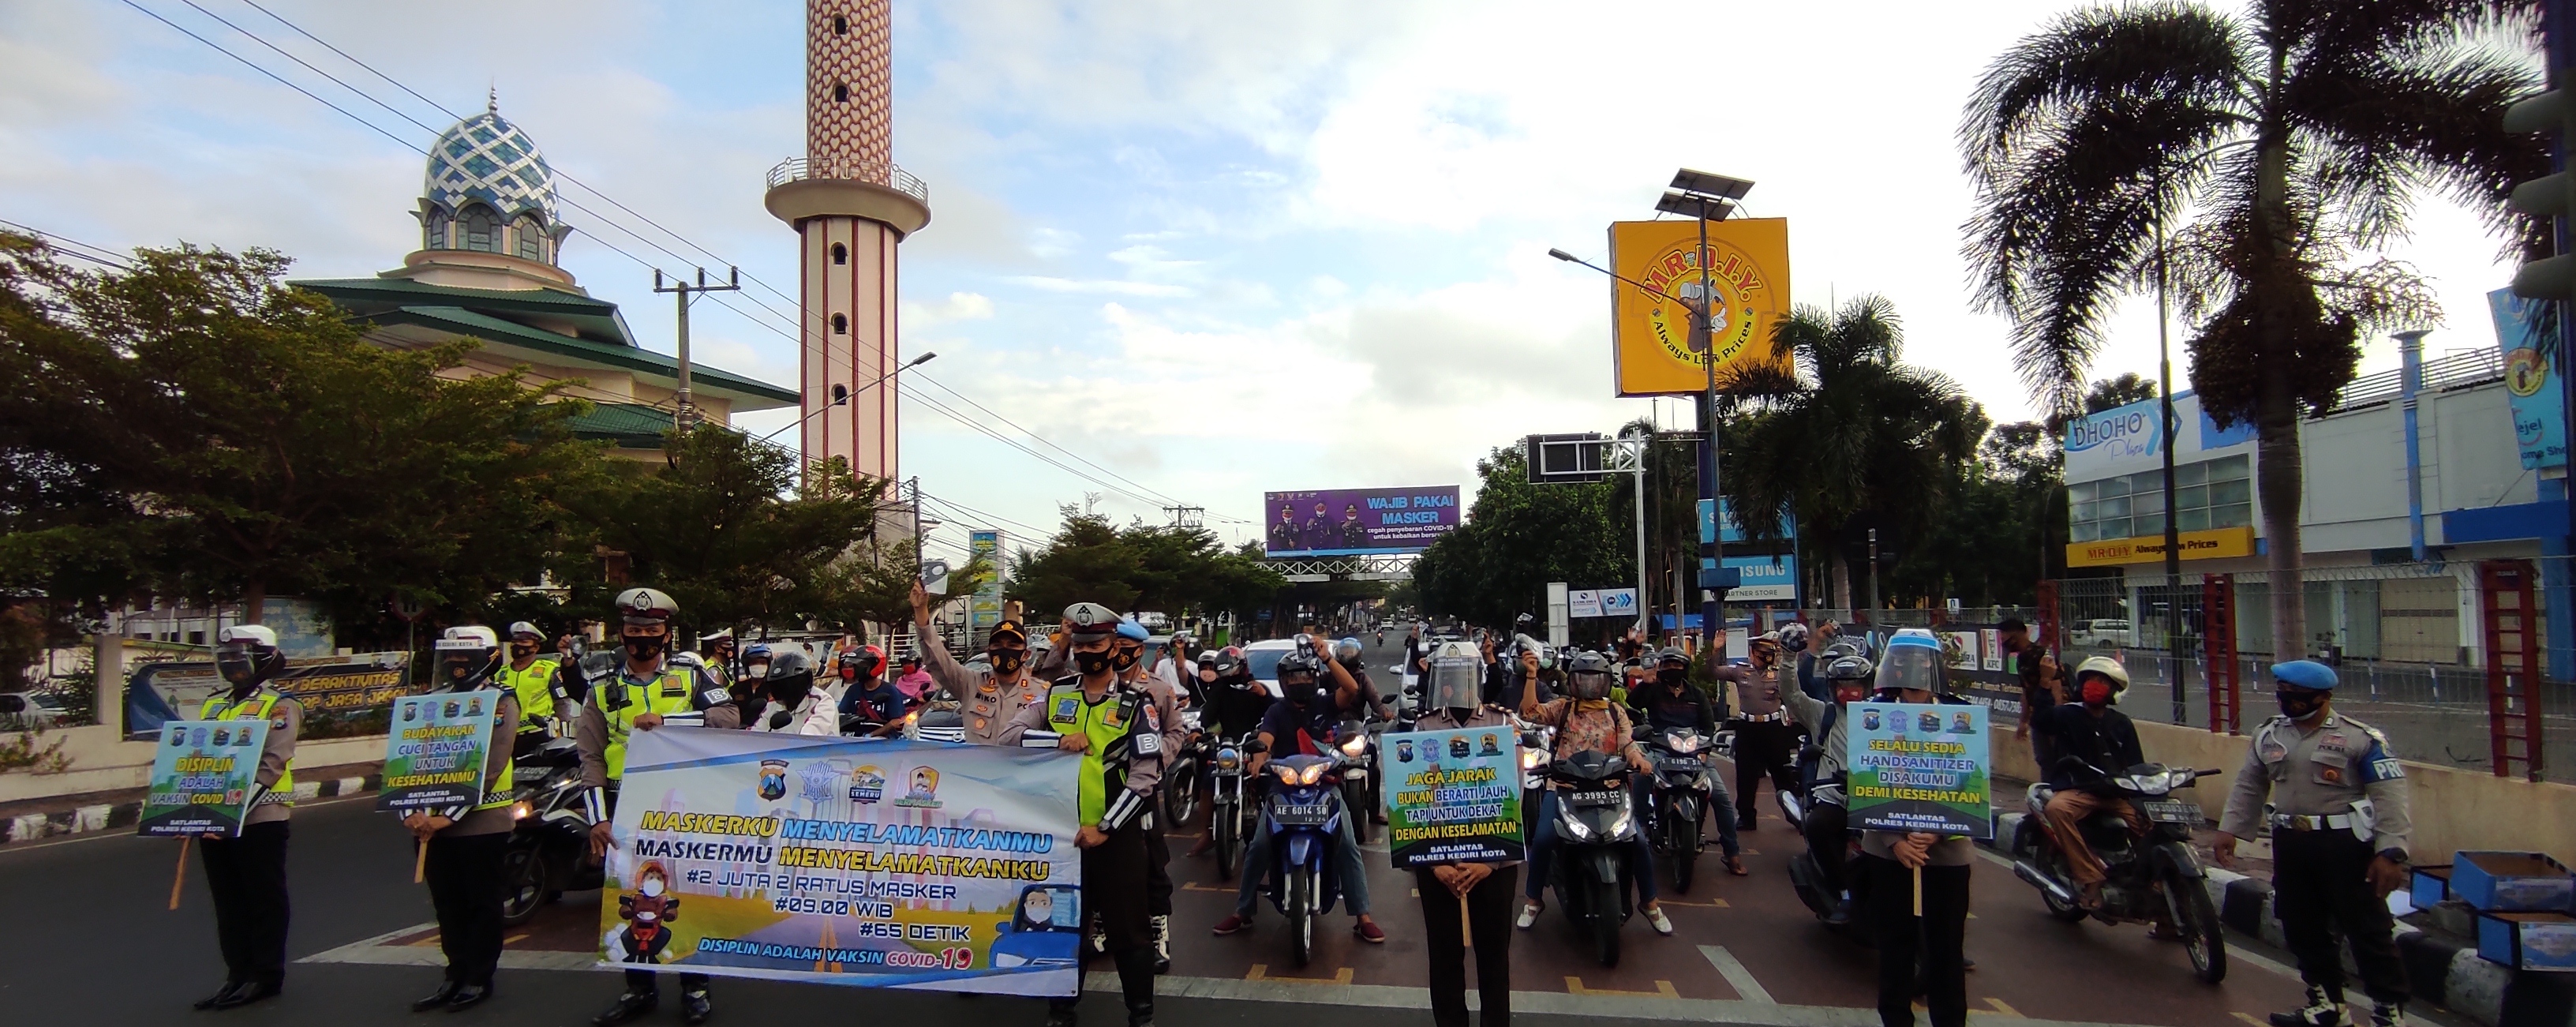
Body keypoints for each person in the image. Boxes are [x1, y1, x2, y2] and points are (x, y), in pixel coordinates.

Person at [2215, 660, 2413, 1027]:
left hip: (2344, 845)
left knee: (2367, 929)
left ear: (2324, 697)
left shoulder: (2361, 739)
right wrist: (2230, 830)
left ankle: (2387, 1012)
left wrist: (2391, 851)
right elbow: (2250, 784)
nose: (2290, 702)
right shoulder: (2270, 735)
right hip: (2291, 841)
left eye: (2300, 697)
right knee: (2300, 924)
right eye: (2284, 695)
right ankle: (2326, 1005)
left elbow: (2390, 796)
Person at [998, 602, 1164, 1027]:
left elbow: (1146, 777)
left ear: (1114, 648)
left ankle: (1140, 1014)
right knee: (1063, 926)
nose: (1088, 651)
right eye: (1082, 643)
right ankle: (1061, 1010)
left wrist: (1106, 827)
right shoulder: (1057, 694)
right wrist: (1052, 741)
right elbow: (1009, 735)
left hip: (1115, 836)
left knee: (1129, 931)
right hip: (1063, 837)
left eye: (1098, 644)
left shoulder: (1135, 704)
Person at [582, 587, 740, 1027]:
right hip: (625, 804)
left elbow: (729, 719)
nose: (643, 638)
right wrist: (598, 817)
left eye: (652, 631)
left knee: (686, 894)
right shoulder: (602, 687)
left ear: (667, 634)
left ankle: (696, 986)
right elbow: (590, 756)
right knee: (630, 898)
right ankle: (639, 988)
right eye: (635, 631)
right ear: (622, 635)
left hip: (683, 803)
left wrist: (670, 722)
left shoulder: (692, 676)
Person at [1211, 650, 1384, 943]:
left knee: (1348, 846)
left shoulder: (1325, 703)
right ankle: (1243, 911)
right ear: (1283, 681)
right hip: (1284, 789)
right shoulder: (1276, 711)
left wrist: (1328, 658)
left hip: (1326, 787)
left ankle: (1362, 915)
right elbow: (1265, 739)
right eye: (1293, 677)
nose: (1299, 681)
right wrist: (1258, 756)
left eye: (1305, 675)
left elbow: (1352, 689)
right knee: (1259, 846)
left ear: (1315, 677)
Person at [1854, 631, 1972, 1027]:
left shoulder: (1961, 715)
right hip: (1890, 852)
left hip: (1946, 852)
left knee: (1946, 950)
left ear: (1935, 666)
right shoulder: (1875, 715)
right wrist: (1895, 840)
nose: (1916, 670)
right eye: (1905, 661)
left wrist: (1936, 831)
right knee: (1895, 947)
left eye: (1925, 661)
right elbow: (1869, 778)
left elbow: (1968, 778)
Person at [406, 626, 521, 1012]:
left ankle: (478, 977)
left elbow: (492, 764)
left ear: (488, 658)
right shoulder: (429, 701)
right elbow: (409, 759)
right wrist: (412, 812)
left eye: (464, 657)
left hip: (480, 821)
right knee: (447, 904)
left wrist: (449, 817)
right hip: (431, 826)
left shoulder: (500, 701)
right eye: (450, 657)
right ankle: (453, 974)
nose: (457, 665)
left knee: (482, 903)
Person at [1516, 650, 1671, 935]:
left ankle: (1649, 902)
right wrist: (1531, 674)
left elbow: (1628, 743)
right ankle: (1533, 899)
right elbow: (1528, 712)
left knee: (1637, 841)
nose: (1589, 686)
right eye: (1582, 680)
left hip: (1610, 788)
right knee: (1543, 838)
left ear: (1606, 682)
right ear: (1573, 682)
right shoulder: (1563, 708)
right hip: (1565, 787)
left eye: (1595, 679)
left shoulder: (1616, 711)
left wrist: (1638, 759)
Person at [189, 624, 303, 1011]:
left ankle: (266, 974)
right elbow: (197, 761)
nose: (233, 667)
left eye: (241, 658)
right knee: (228, 901)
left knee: (263, 898)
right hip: (215, 820)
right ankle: (237, 974)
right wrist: (185, 814)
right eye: (228, 659)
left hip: (261, 817)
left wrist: (228, 811)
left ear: (264, 660)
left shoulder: (280, 705)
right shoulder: (214, 704)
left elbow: (273, 763)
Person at [1410, 641, 1516, 1027]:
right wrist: (1435, 862)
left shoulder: (1501, 725)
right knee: (1444, 955)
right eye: (1447, 678)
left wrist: (1488, 861)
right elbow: (1414, 803)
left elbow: (1513, 797)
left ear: (1479, 678)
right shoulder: (1423, 728)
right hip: (1438, 862)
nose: (1454, 686)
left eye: (1463, 677)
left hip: (1493, 863)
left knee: (1494, 958)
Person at [2039, 657, 2147, 909]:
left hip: (2117, 793)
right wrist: (2045, 683)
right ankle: (2091, 876)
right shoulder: (2067, 714)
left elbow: (2136, 764)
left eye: (2101, 681)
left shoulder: (2122, 723)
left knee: (2152, 823)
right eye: (2090, 680)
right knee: (2057, 809)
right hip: (2079, 789)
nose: (2093, 685)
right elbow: (2041, 721)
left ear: (2113, 690)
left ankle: (2155, 889)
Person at [1627, 647, 1745, 876]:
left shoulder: (1697, 694)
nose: (1673, 669)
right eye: (1668, 665)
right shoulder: (1654, 691)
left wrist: (1705, 750)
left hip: (1694, 755)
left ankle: (1732, 853)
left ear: (1685, 669)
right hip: (1661, 752)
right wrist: (1646, 682)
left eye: (1677, 665)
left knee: (1721, 798)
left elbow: (1708, 726)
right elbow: (1633, 702)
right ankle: (1641, 828)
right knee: (1641, 779)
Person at [1114, 617, 1189, 973]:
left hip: (1141, 790)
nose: (1117, 656)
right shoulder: (1090, 685)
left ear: (1138, 652)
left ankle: (1158, 931)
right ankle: (1101, 925)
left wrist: (1156, 757)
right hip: (1098, 790)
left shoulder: (1157, 689)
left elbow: (1177, 731)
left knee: (1152, 862)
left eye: (1124, 650)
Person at [1782, 653, 1877, 924]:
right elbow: (1792, 695)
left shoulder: (1885, 715)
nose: (1848, 692)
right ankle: (1844, 893)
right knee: (1818, 827)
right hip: (1835, 795)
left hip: (1876, 800)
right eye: (1841, 686)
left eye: (1855, 686)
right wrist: (1789, 656)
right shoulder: (1823, 713)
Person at [912, 581, 1047, 744]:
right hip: (977, 769)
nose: (1005, 650)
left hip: (1022, 769)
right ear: (988, 652)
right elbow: (937, 661)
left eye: (1012, 645)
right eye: (998, 645)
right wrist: (921, 612)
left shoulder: (1042, 693)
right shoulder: (970, 684)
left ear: (1026, 655)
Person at [1186, 649, 1272, 858]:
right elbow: (1208, 713)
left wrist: (1265, 696)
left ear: (1243, 667)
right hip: (1228, 745)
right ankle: (1208, 833)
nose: (1229, 677)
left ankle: (1270, 832)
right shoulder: (1221, 690)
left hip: (1255, 746)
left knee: (1268, 784)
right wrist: (1198, 730)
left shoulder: (1258, 689)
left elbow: (1275, 714)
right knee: (1208, 783)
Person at [1715, 632, 1801, 830]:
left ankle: (1795, 814)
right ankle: (1746, 816)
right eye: (1762, 654)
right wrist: (1716, 649)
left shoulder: (1778, 674)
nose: (1766, 658)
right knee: (1745, 776)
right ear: (1753, 653)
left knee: (1783, 774)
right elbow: (1711, 672)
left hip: (1773, 728)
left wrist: (1793, 719)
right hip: (1748, 728)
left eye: (1768, 654)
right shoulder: (1740, 671)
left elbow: (1793, 696)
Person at [500, 621, 574, 758]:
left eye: (524, 642)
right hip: (507, 737)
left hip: (540, 733)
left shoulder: (549, 669)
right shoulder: (500, 673)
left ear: (535, 647)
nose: (517, 645)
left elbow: (562, 703)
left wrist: (563, 736)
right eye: (515, 641)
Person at [1999, 617, 2063, 767]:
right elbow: (2027, 691)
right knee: (2044, 760)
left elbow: (2057, 688)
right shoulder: (2022, 658)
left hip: (2051, 716)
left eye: (2004, 637)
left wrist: (2056, 722)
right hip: (2039, 716)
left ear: (2016, 635)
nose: (2003, 642)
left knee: (2055, 761)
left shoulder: (2041, 656)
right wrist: (2023, 721)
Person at [743, 651, 837, 736]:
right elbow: (756, 734)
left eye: (787, 685)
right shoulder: (773, 704)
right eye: (777, 686)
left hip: (819, 753)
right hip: (778, 753)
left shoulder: (822, 702)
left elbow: (810, 737)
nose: (782, 690)